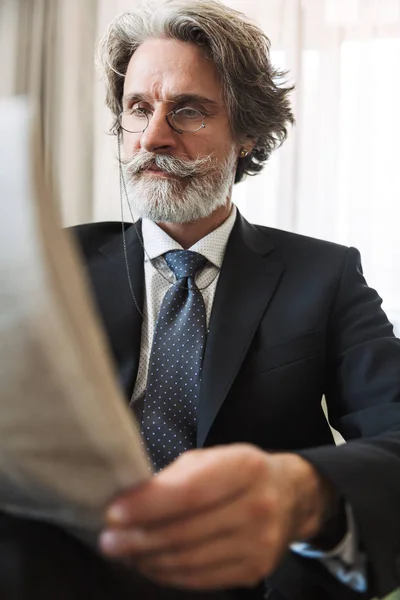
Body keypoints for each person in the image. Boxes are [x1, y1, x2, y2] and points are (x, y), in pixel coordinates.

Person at [1, 1, 399, 599]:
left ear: (248, 135)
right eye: (139, 109)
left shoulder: (325, 274)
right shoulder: (56, 265)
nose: (153, 137)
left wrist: (301, 494)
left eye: (187, 111)